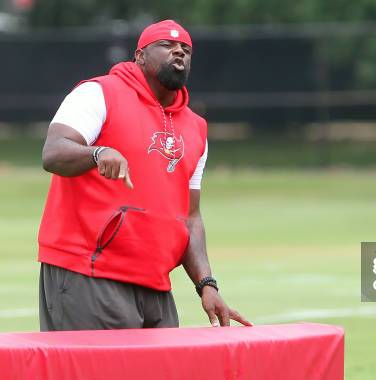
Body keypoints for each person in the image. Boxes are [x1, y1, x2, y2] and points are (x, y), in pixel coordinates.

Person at [38, 20, 250, 331]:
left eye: (186, 49)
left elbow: (189, 217)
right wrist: (97, 153)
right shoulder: (99, 93)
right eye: (166, 45)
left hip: (155, 280)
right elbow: (53, 151)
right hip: (89, 272)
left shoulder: (196, 128)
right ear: (140, 56)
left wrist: (207, 284)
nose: (178, 51)